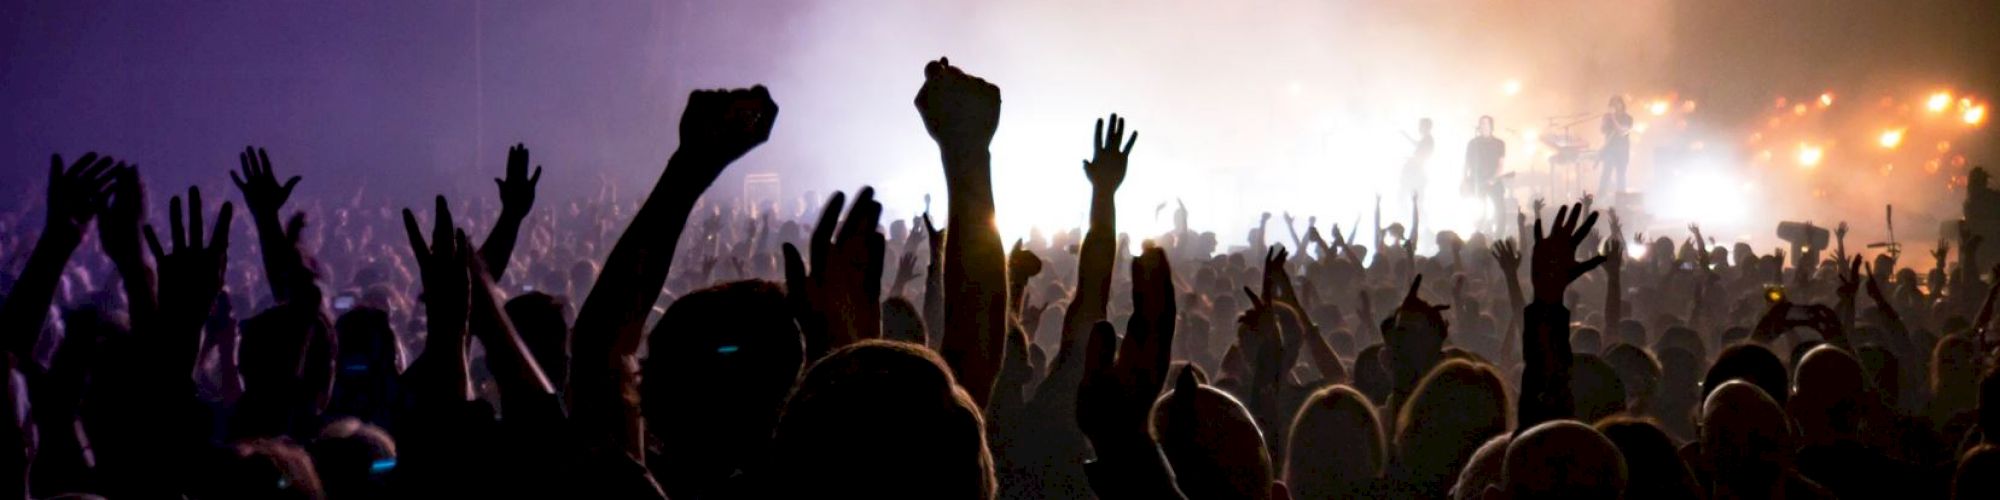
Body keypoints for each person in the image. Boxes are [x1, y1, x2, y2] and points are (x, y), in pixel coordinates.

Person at [1463, 115, 1508, 232]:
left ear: (1491, 126)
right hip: (1477, 181)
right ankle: (1479, 234)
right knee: (1480, 210)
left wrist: (1494, 179)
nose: (1483, 126)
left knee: (1500, 210)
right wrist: (1464, 180)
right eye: (1481, 123)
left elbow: (1501, 164)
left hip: (1494, 181)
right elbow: (1467, 163)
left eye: (1486, 123)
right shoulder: (1473, 143)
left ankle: (1499, 236)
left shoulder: (1499, 143)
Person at [1597, 96, 1634, 202]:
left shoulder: (1628, 118)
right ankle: (1600, 198)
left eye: (1617, 103)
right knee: (1606, 173)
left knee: (1621, 174)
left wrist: (1613, 118)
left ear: (1622, 105)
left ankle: (1621, 199)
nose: (1615, 106)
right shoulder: (1607, 118)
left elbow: (1622, 131)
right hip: (1609, 150)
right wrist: (1605, 120)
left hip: (1622, 151)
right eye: (1613, 104)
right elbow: (1603, 131)